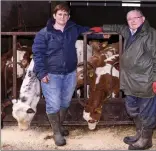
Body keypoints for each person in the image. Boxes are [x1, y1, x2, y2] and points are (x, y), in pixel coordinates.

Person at [32, 3, 106, 146]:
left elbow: (88, 31)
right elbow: (38, 54)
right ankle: (56, 132)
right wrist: (42, 73)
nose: (62, 17)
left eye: (65, 15)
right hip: (51, 74)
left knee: (65, 101)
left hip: (70, 73)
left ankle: (59, 126)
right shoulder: (44, 33)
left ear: (69, 16)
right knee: (53, 104)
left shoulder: (72, 28)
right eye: (60, 14)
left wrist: (103, 33)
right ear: (54, 16)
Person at [90, 9, 156, 150]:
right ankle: (139, 133)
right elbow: (118, 27)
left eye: (135, 18)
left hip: (146, 80)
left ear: (143, 19)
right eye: (129, 19)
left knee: (147, 112)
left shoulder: (151, 34)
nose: (132, 21)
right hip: (130, 80)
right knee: (132, 109)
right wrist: (102, 28)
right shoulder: (129, 31)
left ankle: (146, 140)